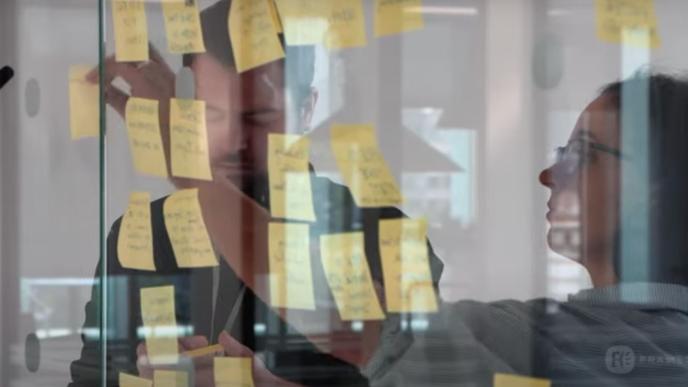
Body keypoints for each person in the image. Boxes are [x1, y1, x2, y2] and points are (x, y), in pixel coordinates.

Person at [220, 73, 688, 386]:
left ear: (656, 188)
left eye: (581, 153)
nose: (551, 174)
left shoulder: (582, 345)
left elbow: (357, 321)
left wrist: (189, 165)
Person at [68, 0, 443, 386]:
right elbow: (90, 378)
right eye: (211, 113)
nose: (234, 141)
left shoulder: (388, 240)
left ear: (308, 108)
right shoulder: (139, 234)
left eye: (259, 117)